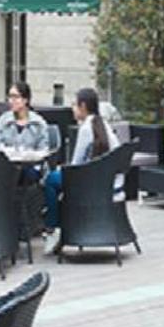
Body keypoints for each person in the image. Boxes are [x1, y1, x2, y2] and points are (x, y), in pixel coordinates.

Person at [42, 85, 113, 239]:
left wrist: (61, 169)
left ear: (83, 106)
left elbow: (75, 165)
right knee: (55, 176)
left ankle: (52, 225)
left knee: (50, 180)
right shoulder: (104, 125)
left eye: (74, 104)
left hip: (87, 184)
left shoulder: (86, 129)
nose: (72, 109)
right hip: (108, 182)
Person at [0, 79, 58, 183]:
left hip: (31, 168)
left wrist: (27, 155)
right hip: (7, 167)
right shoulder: (3, 121)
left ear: (25, 100)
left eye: (15, 97)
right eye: (10, 97)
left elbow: (43, 151)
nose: (11, 101)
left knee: (25, 174)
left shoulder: (38, 123)